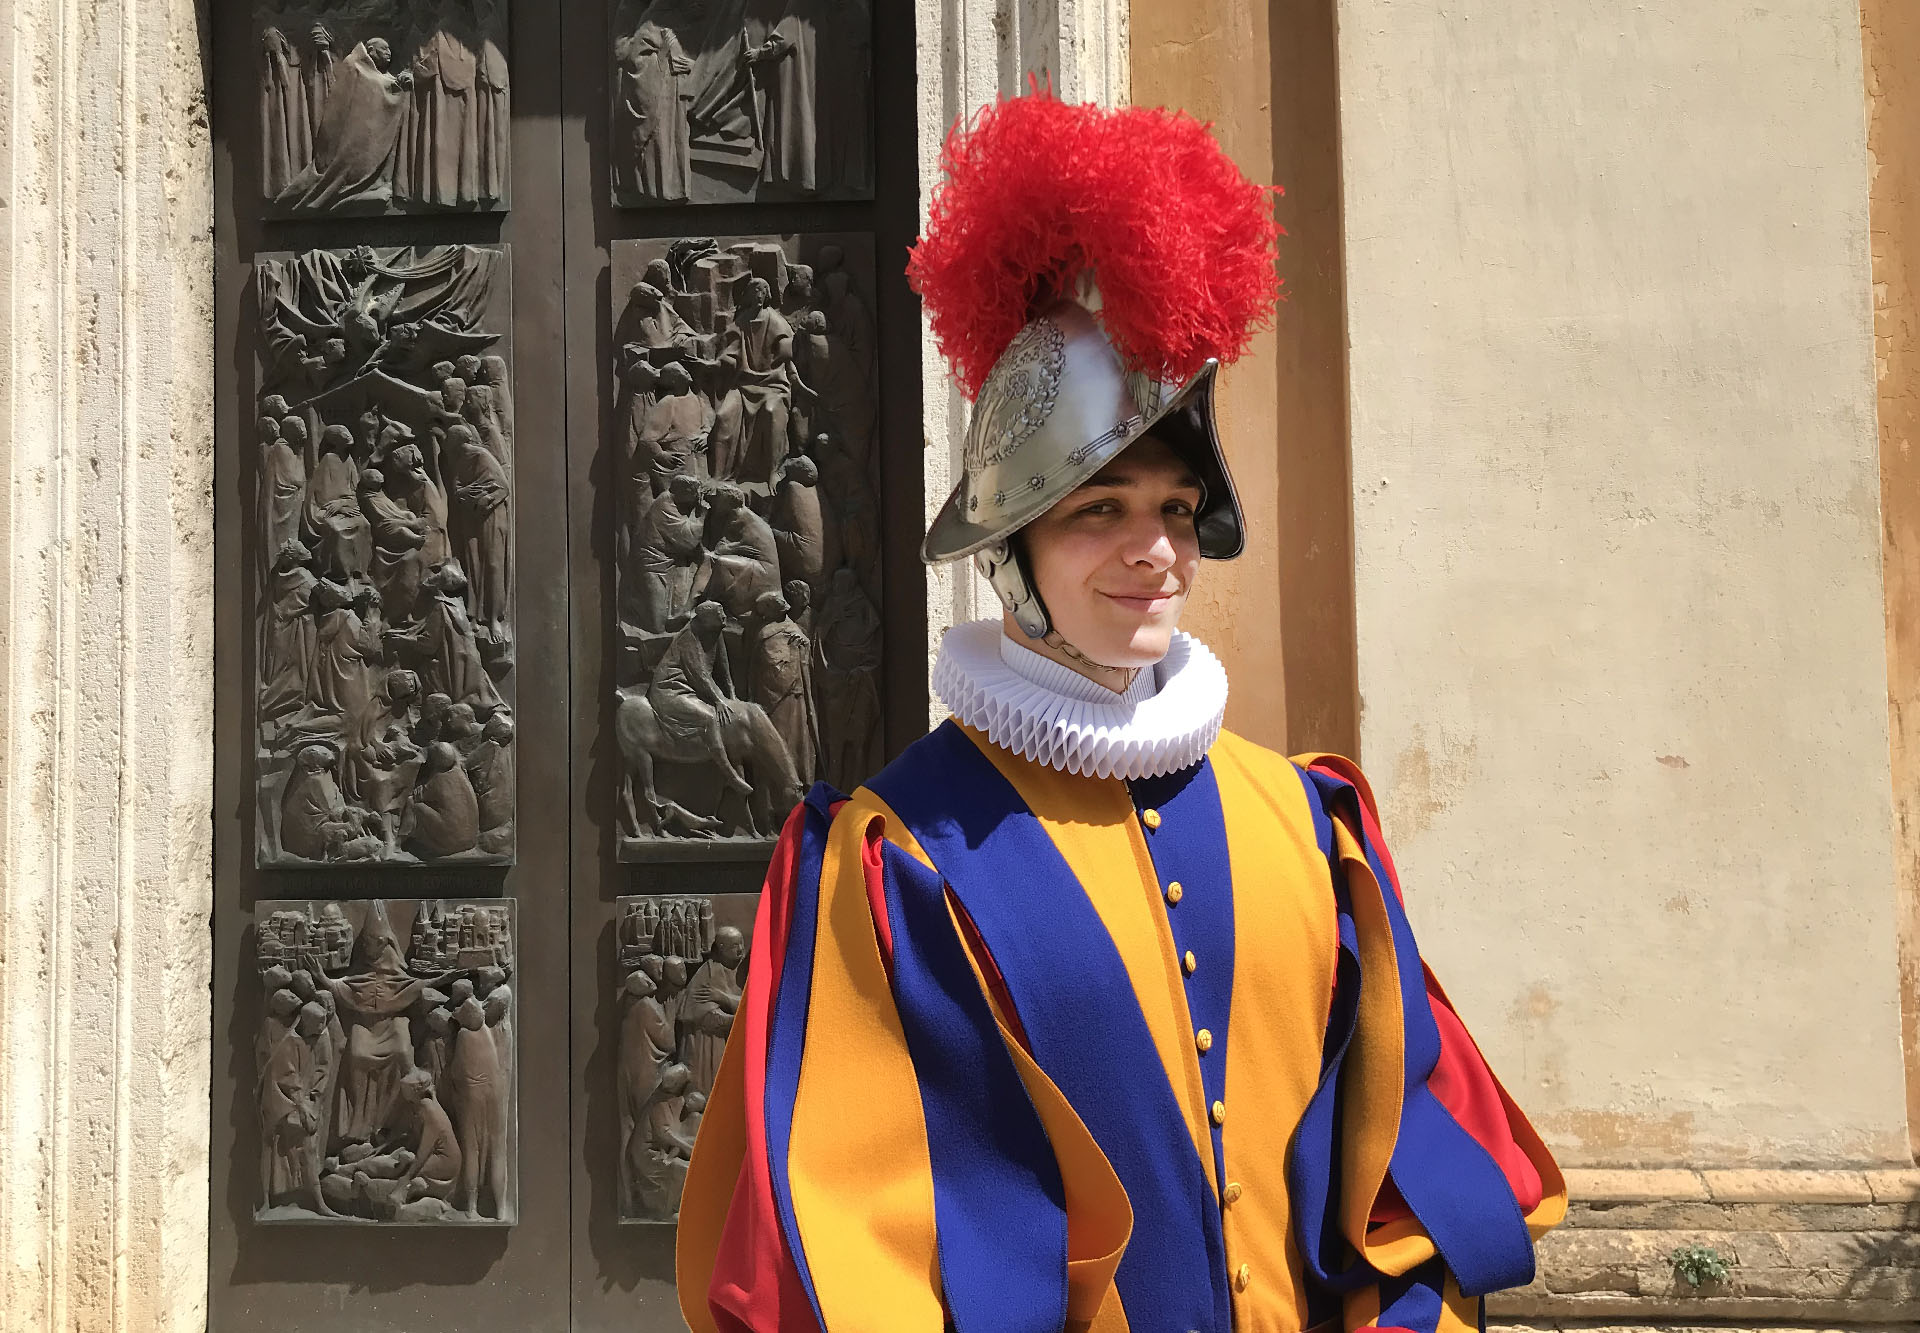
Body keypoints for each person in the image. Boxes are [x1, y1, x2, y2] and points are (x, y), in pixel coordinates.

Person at [677, 93, 1565, 1333]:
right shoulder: (897, 861)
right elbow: (857, 1251)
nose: (1151, 551)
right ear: (1012, 549)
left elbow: (1402, 1180)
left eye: (1177, 510)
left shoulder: (1309, 825)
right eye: (1099, 509)